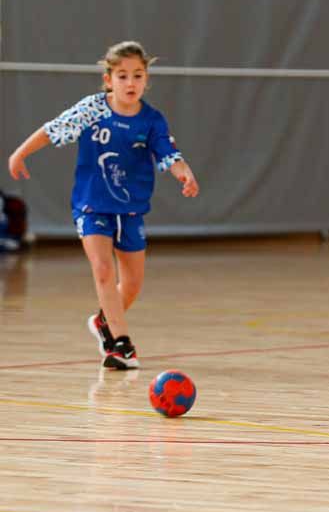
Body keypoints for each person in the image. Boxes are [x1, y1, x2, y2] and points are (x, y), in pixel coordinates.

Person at [7, 41, 199, 369]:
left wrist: (185, 174)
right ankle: (121, 345)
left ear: (146, 79)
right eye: (122, 76)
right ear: (108, 79)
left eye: (137, 75)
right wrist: (20, 153)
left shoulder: (152, 120)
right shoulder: (92, 109)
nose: (130, 83)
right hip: (92, 205)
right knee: (103, 269)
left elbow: (169, 154)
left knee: (133, 282)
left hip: (131, 208)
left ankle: (103, 322)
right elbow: (53, 129)